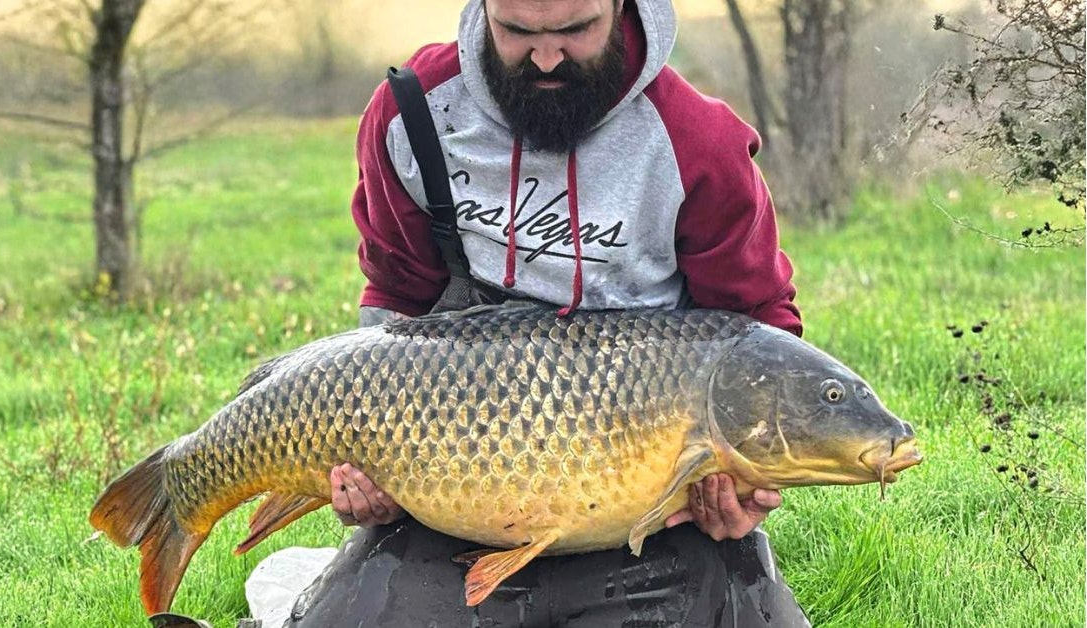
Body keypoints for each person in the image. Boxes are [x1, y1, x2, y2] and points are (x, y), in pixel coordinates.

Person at [284, 0, 809, 625]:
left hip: (650, 492)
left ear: (620, 7)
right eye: (518, 32)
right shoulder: (413, 113)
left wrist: (746, 481)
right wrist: (379, 464)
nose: (546, 56)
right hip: (457, 478)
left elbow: (756, 330)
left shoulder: (698, 141)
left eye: (574, 30)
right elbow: (396, 299)